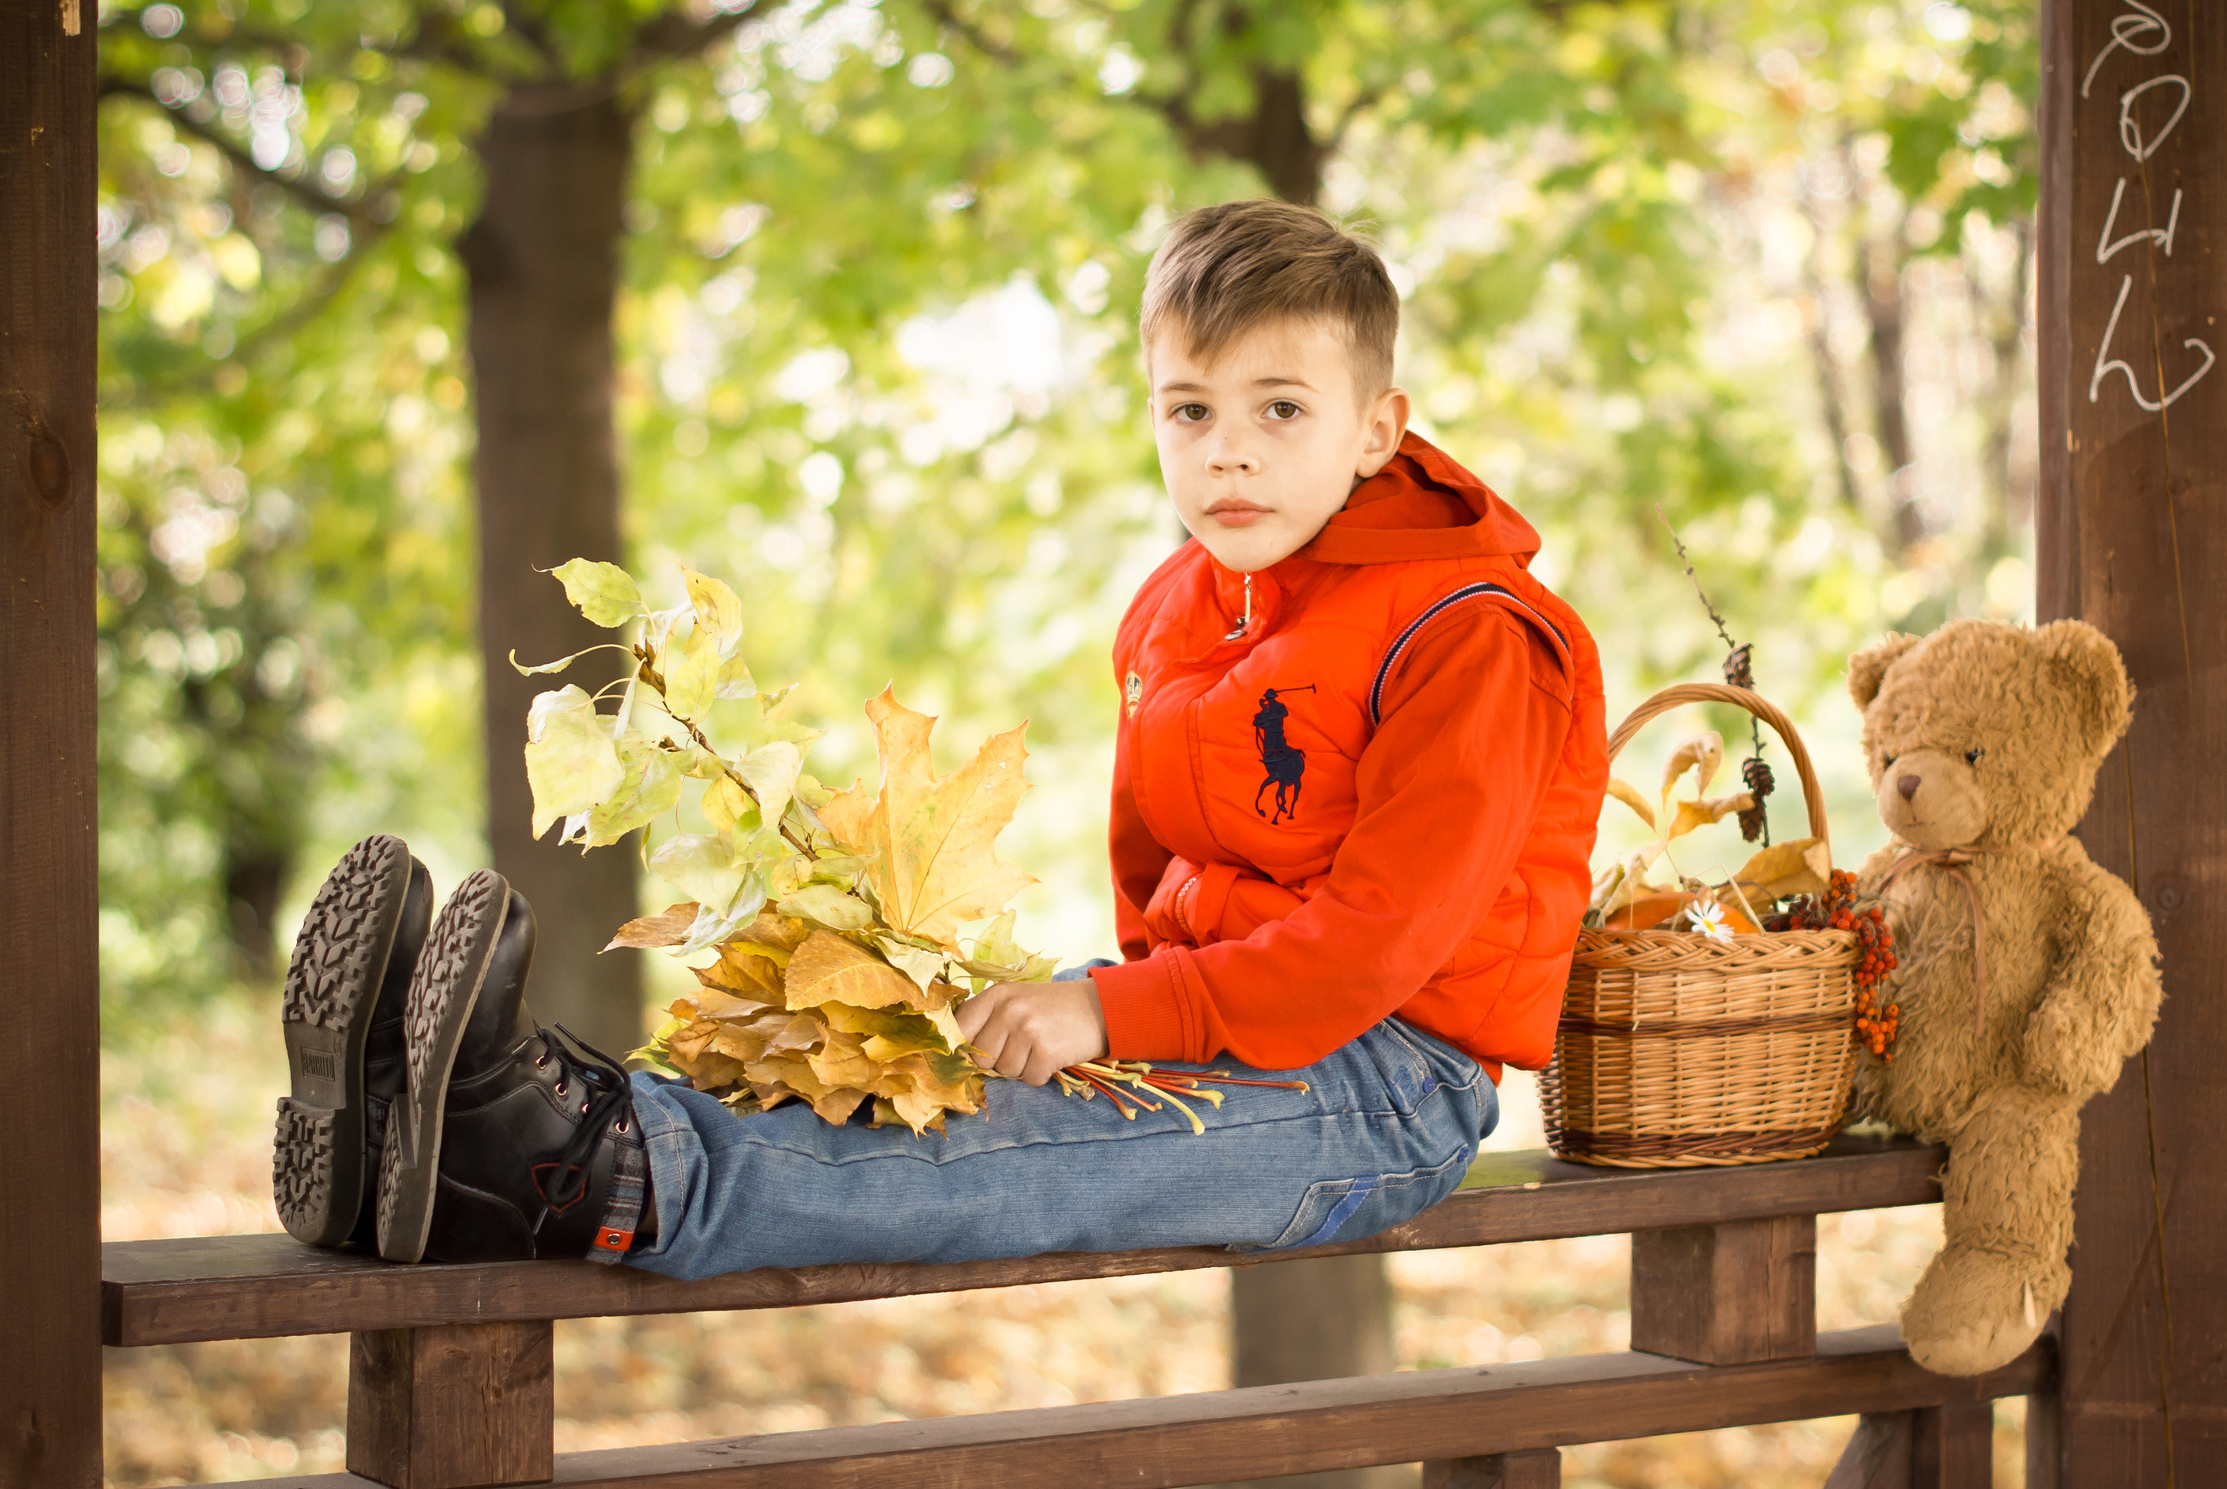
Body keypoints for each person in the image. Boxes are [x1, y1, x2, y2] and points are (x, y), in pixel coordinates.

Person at [274, 199, 1609, 1277]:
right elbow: (1153, 867)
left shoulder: (1474, 636)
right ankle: (425, 1133)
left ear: (1379, 430)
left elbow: (1377, 945)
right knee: (904, 1052)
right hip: (1231, 1026)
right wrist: (1124, 1011)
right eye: (1189, 410)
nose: (1229, 455)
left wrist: (1120, 1012)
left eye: (1281, 409)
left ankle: (592, 1172)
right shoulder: (1178, 607)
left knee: (993, 1146)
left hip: (1386, 1083)